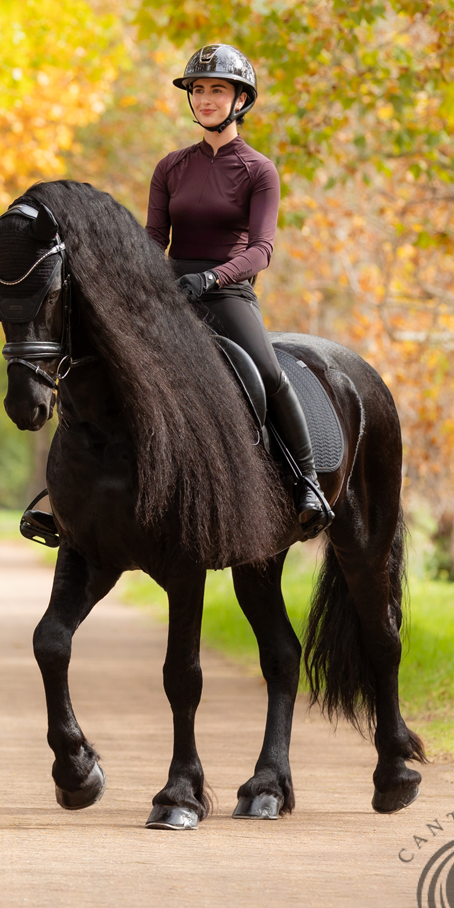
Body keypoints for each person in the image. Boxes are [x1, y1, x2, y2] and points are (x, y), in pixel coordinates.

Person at [145, 43, 333, 538]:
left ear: (240, 100)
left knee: (269, 372)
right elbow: (152, 240)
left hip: (227, 291)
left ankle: (307, 481)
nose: (205, 99)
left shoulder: (258, 170)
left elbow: (262, 250)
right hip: (170, 290)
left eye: (217, 90)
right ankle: (66, 494)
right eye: (199, 90)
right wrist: (142, 277)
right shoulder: (170, 167)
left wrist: (211, 278)